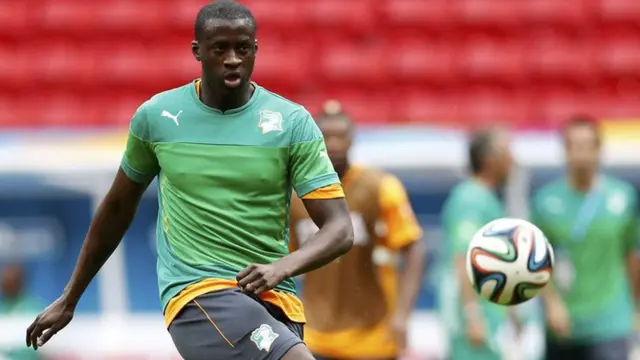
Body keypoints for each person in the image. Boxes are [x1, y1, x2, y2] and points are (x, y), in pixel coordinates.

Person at [24, 1, 355, 359]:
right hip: (197, 293)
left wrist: (281, 267)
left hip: (275, 299)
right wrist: (70, 298)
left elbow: (339, 229)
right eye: (220, 48)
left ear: (255, 50)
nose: (232, 58)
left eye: (242, 48)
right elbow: (117, 208)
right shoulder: (158, 118)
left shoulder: (292, 123)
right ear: (197, 51)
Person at [289, 100, 425, 360]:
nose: (336, 144)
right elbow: (280, 258)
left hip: (373, 338)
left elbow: (414, 248)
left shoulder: (381, 188)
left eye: (342, 136)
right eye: (327, 136)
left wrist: (403, 316)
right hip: (314, 336)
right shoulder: (295, 198)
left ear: (353, 140)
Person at [531, 116, 638, 360]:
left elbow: (632, 255)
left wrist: (635, 308)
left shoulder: (623, 198)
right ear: (564, 150)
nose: (581, 153)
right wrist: (551, 303)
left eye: (587, 145)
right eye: (574, 146)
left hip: (610, 323)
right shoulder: (545, 202)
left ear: (599, 149)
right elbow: (535, 261)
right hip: (563, 324)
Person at [439, 127, 515, 360]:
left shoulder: (487, 198)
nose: (512, 159)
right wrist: (473, 316)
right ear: (489, 159)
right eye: (507, 152)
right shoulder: (470, 199)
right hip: (474, 324)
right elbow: (462, 257)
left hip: (489, 319)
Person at [1, 265, 42, 360]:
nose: (5, 284)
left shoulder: (33, 308)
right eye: (4, 281)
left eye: (10, 280)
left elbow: (35, 347)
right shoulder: (2, 307)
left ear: (20, 283)